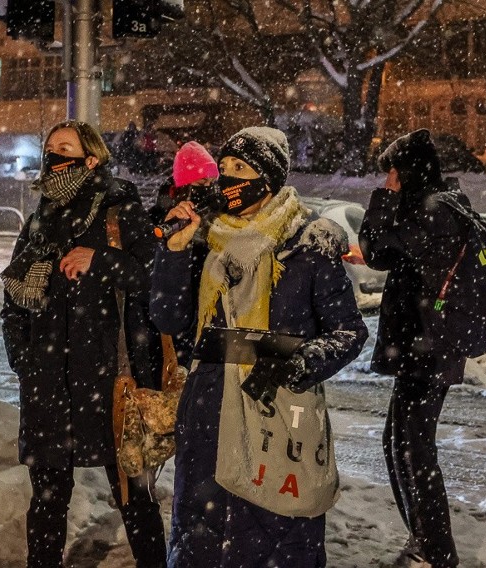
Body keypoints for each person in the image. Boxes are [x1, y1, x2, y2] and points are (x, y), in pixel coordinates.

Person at [150, 126, 367, 567]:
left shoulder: (310, 239)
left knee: (272, 537)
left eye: (240, 169)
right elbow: (168, 320)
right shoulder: (206, 239)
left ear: (267, 178)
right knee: (203, 540)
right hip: (209, 410)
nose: (227, 179)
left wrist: (295, 363)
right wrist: (173, 251)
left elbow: (349, 331)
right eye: (224, 168)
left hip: (277, 411)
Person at [0, 120, 166, 568]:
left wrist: (103, 260)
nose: (54, 155)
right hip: (48, 384)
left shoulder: (120, 211)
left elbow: (155, 280)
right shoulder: (40, 221)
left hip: (111, 380)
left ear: (91, 159)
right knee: (48, 502)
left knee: (134, 496)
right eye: (50, 147)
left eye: (65, 148)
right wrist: (23, 358)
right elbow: (13, 298)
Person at [358, 129, 467, 568]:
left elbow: (375, 250)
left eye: (392, 172)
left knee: (412, 447)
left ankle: (433, 550)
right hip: (428, 346)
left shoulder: (430, 212)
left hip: (428, 348)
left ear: (406, 173)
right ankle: (425, 542)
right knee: (400, 442)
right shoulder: (442, 207)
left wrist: (383, 199)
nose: (388, 179)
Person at [149, 141, 219, 367]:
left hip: (210, 337)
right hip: (169, 341)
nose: (208, 187)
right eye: (201, 182)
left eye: (212, 182)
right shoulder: (159, 223)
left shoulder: (221, 226)